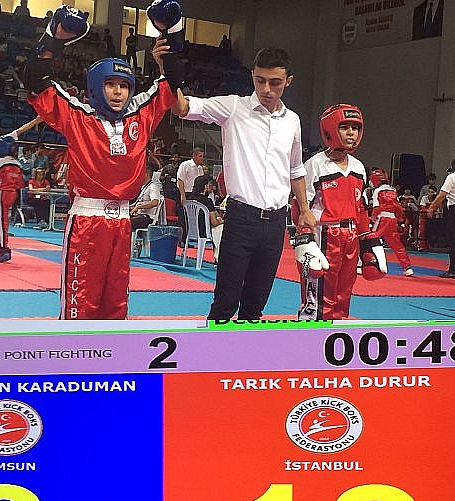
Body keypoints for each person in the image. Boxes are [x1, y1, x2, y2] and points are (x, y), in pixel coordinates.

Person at [23, 1, 185, 319]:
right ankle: (74, 353)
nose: (118, 92)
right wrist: (55, 38)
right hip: (87, 221)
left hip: (123, 221)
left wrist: (172, 38)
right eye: (111, 84)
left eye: (124, 86)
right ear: (97, 87)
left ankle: (112, 352)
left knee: (116, 305)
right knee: (80, 305)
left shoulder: (141, 115)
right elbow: (36, 81)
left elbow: (172, 82)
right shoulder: (78, 116)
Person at [174, 46, 315, 320]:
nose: (266, 89)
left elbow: (296, 169)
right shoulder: (233, 108)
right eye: (260, 80)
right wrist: (168, 70)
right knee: (224, 304)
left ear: (288, 81)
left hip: (276, 223)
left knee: (255, 307)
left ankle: (245, 347)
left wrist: (305, 209)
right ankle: (215, 348)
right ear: (252, 75)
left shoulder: (293, 121)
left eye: (274, 83)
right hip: (241, 219)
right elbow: (182, 107)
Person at [294, 104, 386, 320]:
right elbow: (301, 206)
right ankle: (310, 332)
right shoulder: (315, 165)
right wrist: (304, 238)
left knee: (344, 291)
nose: (351, 133)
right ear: (330, 129)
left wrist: (367, 239)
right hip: (325, 233)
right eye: (345, 127)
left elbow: (360, 207)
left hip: (351, 236)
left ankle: (337, 328)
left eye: (355, 128)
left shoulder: (359, 167)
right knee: (318, 288)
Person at [369, 168, 414, 276]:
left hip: (382, 219)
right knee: (397, 245)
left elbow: (377, 208)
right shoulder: (393, 190)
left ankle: (367, 264)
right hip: (392, 219)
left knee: (369, 240)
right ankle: (407, 268)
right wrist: (400, 220)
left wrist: (373, 218)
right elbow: (398, 208)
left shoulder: (377, 191)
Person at [427, 157, 455, 278]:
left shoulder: (452, 177)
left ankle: (454, 270)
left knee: (453, 240)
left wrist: (432, 208)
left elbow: (442, 195)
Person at [130, 164, 161, 231]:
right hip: (139, 215)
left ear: (146, 174)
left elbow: (155, 202)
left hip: (148, 217)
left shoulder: (153, 187)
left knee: (127, 222)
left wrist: (138, 207)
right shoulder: (144, 187)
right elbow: (139, 202)